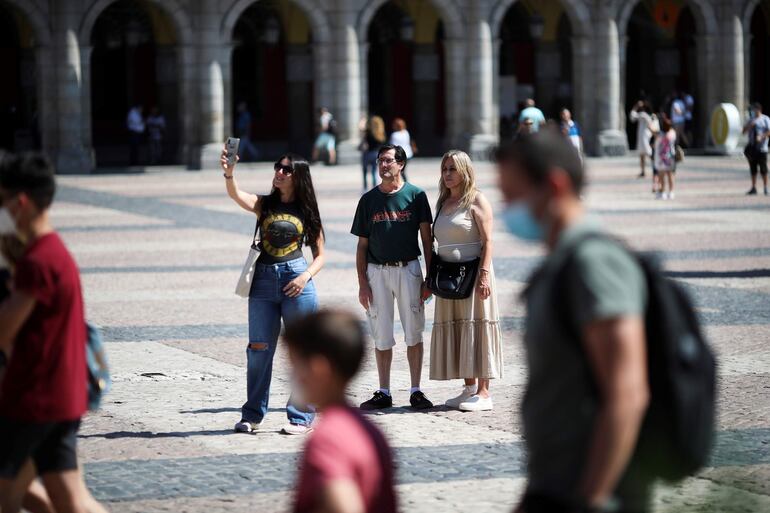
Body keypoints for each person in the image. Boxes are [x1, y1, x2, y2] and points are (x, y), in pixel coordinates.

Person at [496, 132, 651, 513]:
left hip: (585, 492)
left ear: (554, 186)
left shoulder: (594, 262)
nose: (506, 209)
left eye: (513, 195)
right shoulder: (560, 262)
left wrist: (593, 497)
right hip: (552, 484)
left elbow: (627, 393)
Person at [0, 153, 104, 513]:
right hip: (60, 394)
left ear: (21, 202)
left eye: (3, 202)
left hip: (34, 397)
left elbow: (3, 330)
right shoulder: (52, 252)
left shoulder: (38, 261)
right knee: (68, 497)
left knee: (7, 495)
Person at [221, 149, 325, 435]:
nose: (279, 172)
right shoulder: (265, 204)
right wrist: (229, 173)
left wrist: (304, 277)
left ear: (298, 176)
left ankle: (301, 416)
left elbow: (320, 256)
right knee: (258, 350)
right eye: (277, 167)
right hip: (263, 283)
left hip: (296, 281)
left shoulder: (307, 210)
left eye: (286, 170)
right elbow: (236, 194)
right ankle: (252, 415)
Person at [288, 310, 397, 513]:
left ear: (318, 368)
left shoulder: (327, 440)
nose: (292, 376)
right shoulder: (370, 429)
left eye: (295, 366)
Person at [351, 144, 434, 411]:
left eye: (388, 161)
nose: (383, 166)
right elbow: (362, 246)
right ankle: (384, 391)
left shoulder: (416, 196)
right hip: (377, 272)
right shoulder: (368, 200)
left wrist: (429, 278)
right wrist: (363, 283)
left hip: (409, 269)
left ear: (401, 164)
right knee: (381, 333)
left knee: (414, 332)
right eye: (380, 161)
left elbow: (427, 240)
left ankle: (416, 390)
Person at [429, 150, 503, 411]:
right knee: (459, 326)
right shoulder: (442, 202)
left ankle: (484, 393)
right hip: (450, 275)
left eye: (452, 169)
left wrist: (483, 275)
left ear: (464, 171)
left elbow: (488, 242)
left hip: (474, 274)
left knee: (479, 325)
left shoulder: (477, 199)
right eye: (444, 168)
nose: (447, 174)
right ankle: (469, 387)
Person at [742, 102, 770, 196]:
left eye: (755, 110)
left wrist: (761, 136)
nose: (753, 111)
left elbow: (769, 131)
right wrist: (750, 125)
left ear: (759, 110)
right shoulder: (751, 120)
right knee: (753, 168)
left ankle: (766, 187)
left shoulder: (765, 119)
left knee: (763, 169)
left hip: (762, 148)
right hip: (752, 148)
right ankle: (753, 187)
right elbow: (743, 131)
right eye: (753, 110)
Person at [629, 101, 655, 178]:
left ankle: (656, 168)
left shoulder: (643, 115)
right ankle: (643, 171)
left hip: (643, 136)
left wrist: (635, 106)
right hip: (643, 136)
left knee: (648, 153)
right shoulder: (649, 115)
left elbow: (632, 116)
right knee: (642, 154)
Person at [654, 116, 677, 200]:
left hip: (662, 158)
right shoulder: (672, 133)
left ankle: (662, 192)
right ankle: (671, 192)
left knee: (662, 176)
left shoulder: (659, 135)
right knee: (670, 175)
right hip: (670, 157)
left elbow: (651, 128)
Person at [361, 116, 386, 191]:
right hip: (377, 154)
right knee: (374, 171)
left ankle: (365, 187)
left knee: (365, 171)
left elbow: (361, 129)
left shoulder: (368, 132)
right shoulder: (381, 133)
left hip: (368, 153)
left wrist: (363, 121)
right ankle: (374, 187)